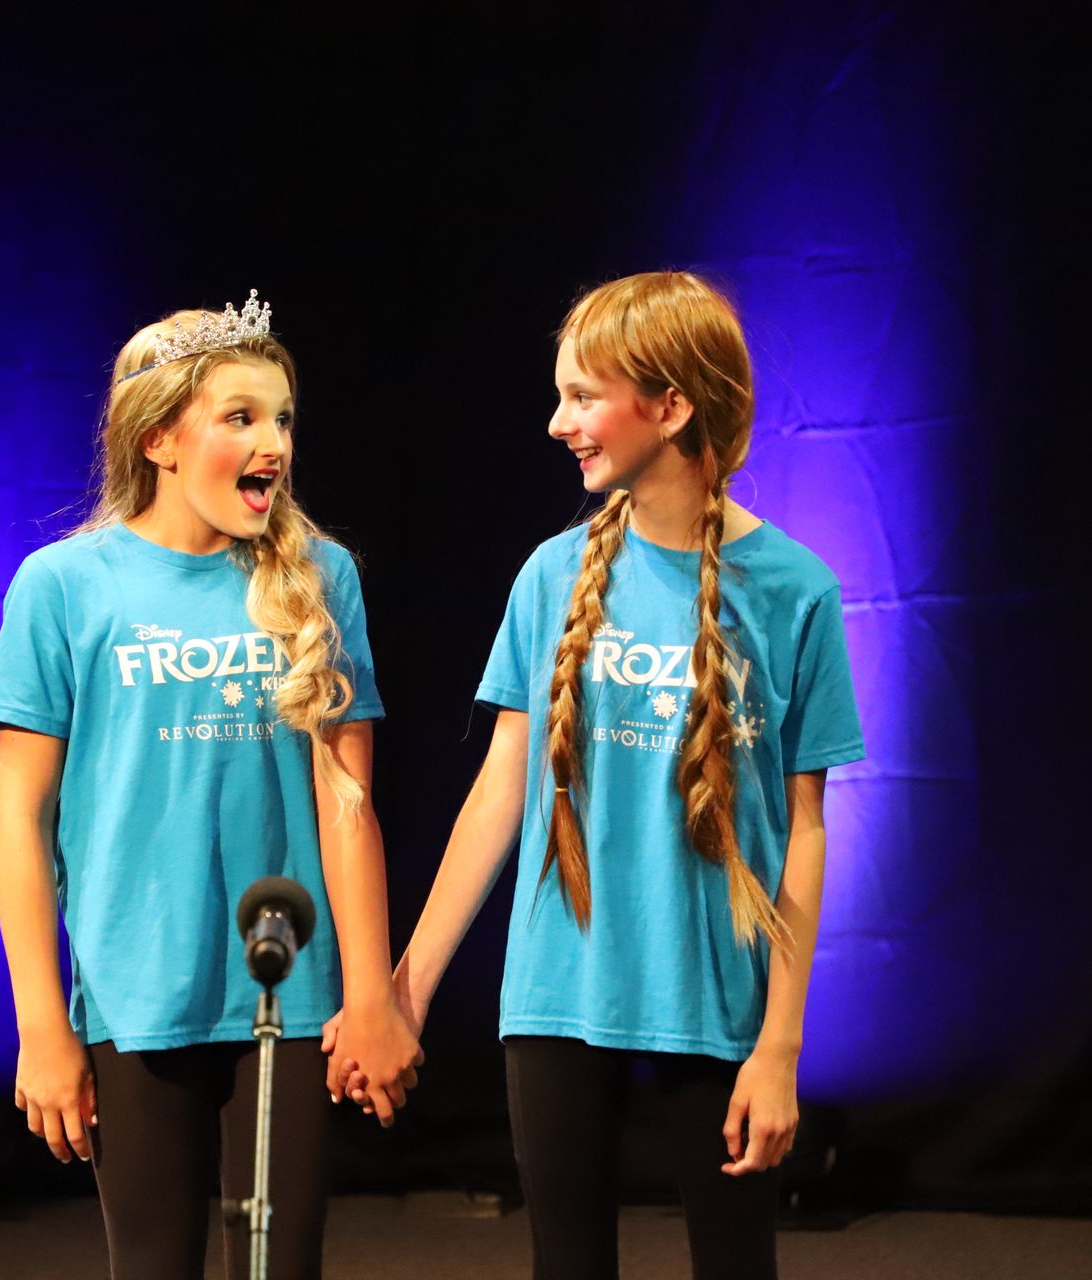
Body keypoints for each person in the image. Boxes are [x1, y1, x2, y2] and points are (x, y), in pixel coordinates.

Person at [352, 272, 864, 1277]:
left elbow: (803, 830)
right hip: (559, 988)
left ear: (669, 406)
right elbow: (500, 790)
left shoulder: (797, 590)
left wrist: (780, 1046)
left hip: (716, 998)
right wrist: (404, 989)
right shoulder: (552, 574)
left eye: (583, 396)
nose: (558, 423)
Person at [0, 292, 421, 1280]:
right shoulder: (63, 586)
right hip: (136, 990)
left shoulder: (320, 576)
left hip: (292, 992)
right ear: (160, 439)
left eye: (283, 419)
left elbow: (348, 805)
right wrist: (41, 1024)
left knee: (279, 1263)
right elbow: (21, 821)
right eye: (241, 417)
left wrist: (370, 992)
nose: (275, 444)